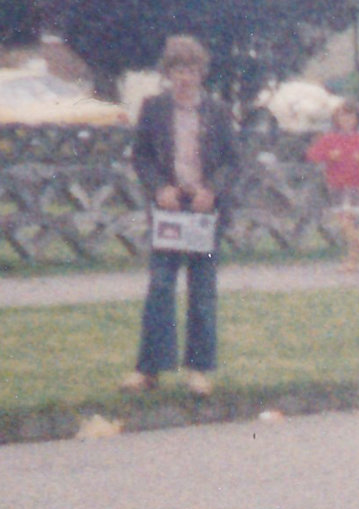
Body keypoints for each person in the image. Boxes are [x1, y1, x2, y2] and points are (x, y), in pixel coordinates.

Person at [122, 35, 239, 396]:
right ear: (168, 73)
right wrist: (159, 188)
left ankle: (198, 371)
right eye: (177, 70)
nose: (184, 77)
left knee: (202, 290)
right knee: (160, 286)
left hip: (204, 211)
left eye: (191, 70)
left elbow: (233, 160)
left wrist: (211, 190)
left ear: (201, 72)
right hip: (169, 209)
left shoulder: (217, 111)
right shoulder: (153, 108)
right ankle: (149, 370)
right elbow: (141, 156)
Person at [305, 98, 359, 271]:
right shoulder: (330, 138)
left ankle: (353, 258)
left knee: (347, 221)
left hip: (355, 185)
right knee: (347, 223)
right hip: (336, 185)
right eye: (342, 116)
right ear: (336, 119)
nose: (346, 120)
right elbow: (312, 155)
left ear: (357, 119)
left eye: (350, 117)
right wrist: (329, 155)